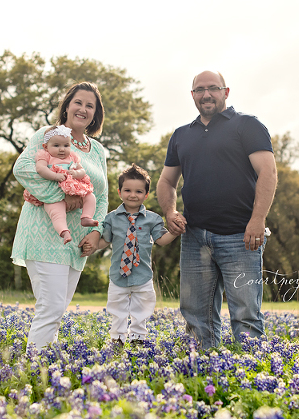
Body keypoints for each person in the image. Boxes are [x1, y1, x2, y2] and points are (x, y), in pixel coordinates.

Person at [156, 71, 278, 349]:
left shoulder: (247, 125)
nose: (206, 94)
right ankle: (205, 373)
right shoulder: (181, 135)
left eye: (213, 88)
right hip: (195, 236)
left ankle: (248, 373)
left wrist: (258, 220)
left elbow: (268, 173)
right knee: (196, 316)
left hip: (241, 236)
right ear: (192, 95)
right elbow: (166, 181)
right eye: (200, 90)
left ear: (226, 91)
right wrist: (170, 212)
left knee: (246, 315)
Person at [12, 82, 108, 350]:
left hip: (76, 242)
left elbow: (102, 196)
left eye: (90, 105)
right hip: (44, 234)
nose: (83, 109)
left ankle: (46, 375)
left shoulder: (98, 150)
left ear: (96, 113)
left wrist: (96, 231)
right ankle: (33, 372)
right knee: (50, 308)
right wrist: (61, 198)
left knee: (57, 313)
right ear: (67, 106)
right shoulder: (46, 134)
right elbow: (23, 169)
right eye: (78, 102)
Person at [94, 164, 179, 345]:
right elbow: (104, 241)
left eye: (139, 191)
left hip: (143, 275)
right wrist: (91, 243)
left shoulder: (153, 219)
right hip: (118, 274)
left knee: (143, 308)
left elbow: (161, 240)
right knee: (117, 309)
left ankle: (138, 338)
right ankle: (117, 338)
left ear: (146, 195)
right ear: (119, 192)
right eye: (128, 190)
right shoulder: (111, 218)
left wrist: (175, 232)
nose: (133, 195)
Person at [32, 125, 99, 244]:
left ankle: (86, 217)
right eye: (56, 145)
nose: (62, 149)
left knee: (90, 197)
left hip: (74, 188)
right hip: (55, 192)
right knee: (56, 211)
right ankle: (64, 231)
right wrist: (55, 176)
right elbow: (40, 169)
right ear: (46, 147)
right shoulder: (45, 156)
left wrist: (76, 173)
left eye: (66, 145)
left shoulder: (72, 157)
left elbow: (83, 171)